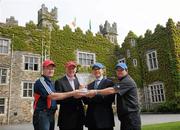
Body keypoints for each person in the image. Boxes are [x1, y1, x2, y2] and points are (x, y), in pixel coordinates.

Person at [86, 63, 141, 130]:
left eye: (121, 70)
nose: (119, 71)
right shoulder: (122, 81)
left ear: (126, 70)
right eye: (117, 70)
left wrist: (95, 92)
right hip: (125, 117)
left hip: (131, 117)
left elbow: (112, 91)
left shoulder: (127, 81)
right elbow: (86, 100)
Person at [33, 59, 80, 130]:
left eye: (52, 69)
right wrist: (73, 93)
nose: (51, 70)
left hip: (51, 114)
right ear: (43, 69)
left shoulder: (51, 82)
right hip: (43, 114)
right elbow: (53, 96)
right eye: (48, 68)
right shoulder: (41, 81)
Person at [83, 63, 115, 130]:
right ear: (92, 72)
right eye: (94, 69)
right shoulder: (89, 85)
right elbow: (85, 101)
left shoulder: (109, 83)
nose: (96, 71)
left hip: (105, 120)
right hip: (92, 120)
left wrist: (92, 95)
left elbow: (110, 99)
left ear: (103, 71)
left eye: (98, 69)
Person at [55, 61, 85, 130]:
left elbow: (84, 99)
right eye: (69, 68)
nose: (71, 70)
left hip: (79, 117)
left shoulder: (80, 81)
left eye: (73, 68)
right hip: (66, 118)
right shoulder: (59, 82)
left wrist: (84, 93)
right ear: (65, 69)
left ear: (76, 69)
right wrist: (73, 95)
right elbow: (58, 100)